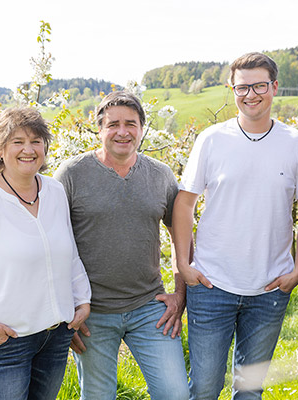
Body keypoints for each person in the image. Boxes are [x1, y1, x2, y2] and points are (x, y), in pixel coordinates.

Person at [172, 52, 298, 399]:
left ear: (275, 87)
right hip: (211, 285)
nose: (251, 95)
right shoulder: (211, 139)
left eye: (259, 86)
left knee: (250, 390)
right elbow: (184, 205)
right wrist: (183, 265)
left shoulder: (296, 144)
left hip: (269, 288)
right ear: (231, 90)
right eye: (242, 87)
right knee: (205, 387)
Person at [0, 107, 91, 400]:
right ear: (0, 149)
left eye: (36, 141)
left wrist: (81, 300)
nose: (28, 149)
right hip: (5, 342)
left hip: (54, 336)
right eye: (17, 141)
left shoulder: (55, 192)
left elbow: (68, 254)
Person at [54, 91, 189, 400]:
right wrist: (67, 312)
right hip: (92, 313)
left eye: (131, 123)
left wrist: (179, 294)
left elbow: (180, 235)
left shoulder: (161, 176)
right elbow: (52, 244)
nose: (123, 132)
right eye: (113, 124)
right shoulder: (71, 175)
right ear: (100, 129)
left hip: (148, 307)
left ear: (142, 129)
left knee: (176, 394)